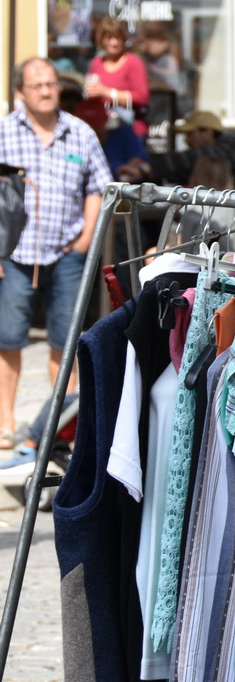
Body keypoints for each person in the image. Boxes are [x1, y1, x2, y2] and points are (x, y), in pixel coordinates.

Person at [0, 58, 110, 453]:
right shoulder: (4, 132)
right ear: (21, 92)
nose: (47, 91)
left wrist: (84, 240)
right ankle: (5, 423)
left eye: (51, 84)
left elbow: (99, 186)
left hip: (66, 251)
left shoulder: (79, 133)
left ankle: (60, 425)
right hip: (14, 255)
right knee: (8, 339)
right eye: (38, 85)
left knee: (65, 341)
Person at [152, 109, 235, 193]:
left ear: (207, 132)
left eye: (190, 134)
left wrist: (154, 166)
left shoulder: (231, 145)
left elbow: (199, 156)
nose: (186, 140)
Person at [83, 16, 151, 139]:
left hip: (131, 131)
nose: (114, 42)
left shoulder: (133, 62)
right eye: (109, 38)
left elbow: (142, 97)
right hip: (103, 130)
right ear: (102, 39)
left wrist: (107, 92)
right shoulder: (96, 63)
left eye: (117, 38)